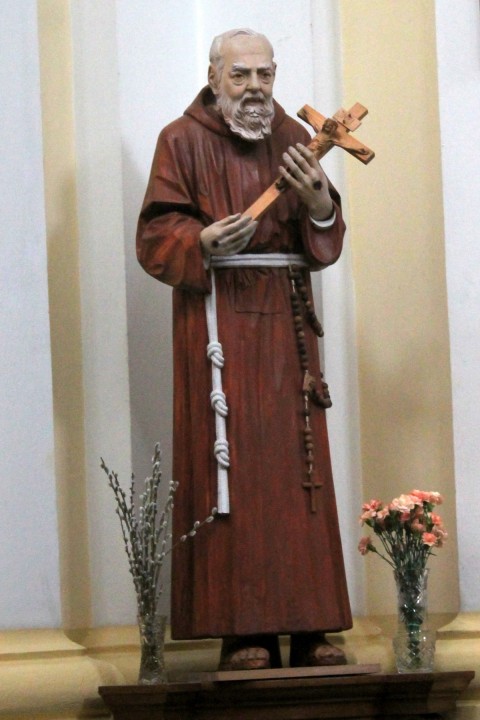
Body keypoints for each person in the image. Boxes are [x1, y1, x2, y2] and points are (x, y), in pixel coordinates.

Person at [136, 28, 352, 671]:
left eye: (264, 74)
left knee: (300, 474)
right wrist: (201, 241)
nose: (255, 87)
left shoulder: (294, 137)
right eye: (240, 75)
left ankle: (312, 626)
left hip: (286, 332)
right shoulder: (181, 140)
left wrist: (318, 201)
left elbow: (325, 232)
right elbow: (156, 235)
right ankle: (242, 631)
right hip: (218, 329)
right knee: (232, 474)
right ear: (214, 77)